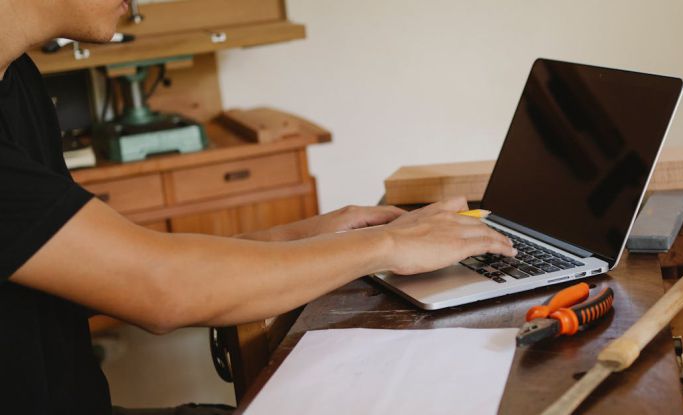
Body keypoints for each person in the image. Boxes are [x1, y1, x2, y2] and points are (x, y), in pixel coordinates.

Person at [0, 0, 516, 414]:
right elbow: (159, 287)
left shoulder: (15, 80)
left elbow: (104, 267)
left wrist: (307, 237)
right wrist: (385, 246)